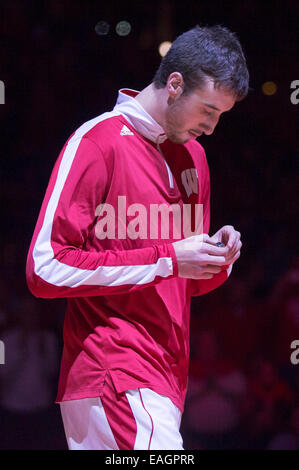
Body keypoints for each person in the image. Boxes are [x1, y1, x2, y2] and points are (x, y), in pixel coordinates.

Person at [26, 25, 249, 450]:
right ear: (174, 83)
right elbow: (44, 267)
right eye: (207, 110)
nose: (212, 127)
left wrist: (216, 258)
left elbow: (184, 280)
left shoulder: (195, 158)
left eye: (221, 115)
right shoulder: (96, 142)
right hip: (113, 372)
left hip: (166, 379)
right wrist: (168, 258)